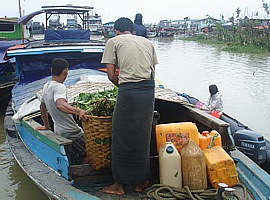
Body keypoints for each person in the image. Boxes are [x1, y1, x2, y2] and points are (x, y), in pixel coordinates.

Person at [101, 17, 158, 195]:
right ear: (132, 30)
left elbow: (111, 75)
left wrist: (126, 87)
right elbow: (152, 72)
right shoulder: (147, 42)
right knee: (142, 135)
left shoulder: (113, 42)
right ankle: (141, 181)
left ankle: (118, 185)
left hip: (129, 92)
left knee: (121, 136)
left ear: (117, 31)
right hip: (148, 91)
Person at [35, 58, 88, 164]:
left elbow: (42, 107)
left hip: (59, 131)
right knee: (88, 155)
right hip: (72, 132)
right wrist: (78, 111)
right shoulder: (60, 87)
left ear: (51, 70)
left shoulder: (47, 86)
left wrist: (46, 126)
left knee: (73, 156)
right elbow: (60, 104)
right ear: (65, 72)